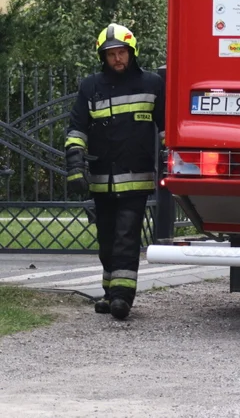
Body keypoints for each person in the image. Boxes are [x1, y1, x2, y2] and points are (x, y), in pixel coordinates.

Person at [65, 24, 164, 320]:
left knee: (126, 235)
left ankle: (123, 297)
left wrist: (173, 155)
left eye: (121, 53)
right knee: (106, 238)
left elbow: (166, 128)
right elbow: (77, 128)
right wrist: (74, 164)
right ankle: (109, 293)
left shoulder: (152, 84)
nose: (117, 59)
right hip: (101, 178)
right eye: (111, 55)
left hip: (136, 177)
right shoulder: (90, 86)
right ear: (102, 57)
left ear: (131, 53)